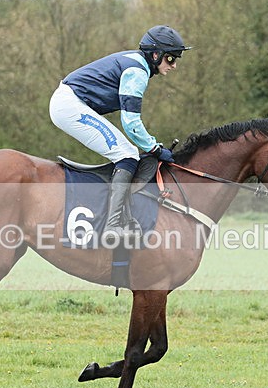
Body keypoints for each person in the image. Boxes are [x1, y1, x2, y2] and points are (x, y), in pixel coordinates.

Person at [49, 25, 191, 242]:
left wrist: (150, 146)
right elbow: (131, 123)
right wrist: (154, 147)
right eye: (171, 59)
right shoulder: (137, 72)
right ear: (156, 55)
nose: (174, 65)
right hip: (69, 105)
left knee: (128, 152)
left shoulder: (136, 62)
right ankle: (113, 225)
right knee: (127, 154)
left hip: (70, 102)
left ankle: (118, 215)